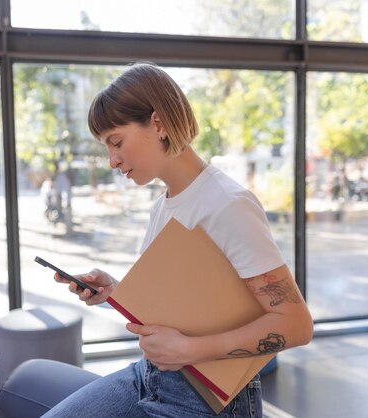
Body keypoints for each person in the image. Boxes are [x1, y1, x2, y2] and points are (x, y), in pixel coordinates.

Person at [46, 62, 313, 418]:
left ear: (157, 124)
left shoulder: (227, 205)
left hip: (208, 398)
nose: (112, 160)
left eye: (116, 142)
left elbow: (296, 324)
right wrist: (116, 291)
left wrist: (190, 350)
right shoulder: (164, 205)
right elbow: (182, 303)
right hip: (151, 376)